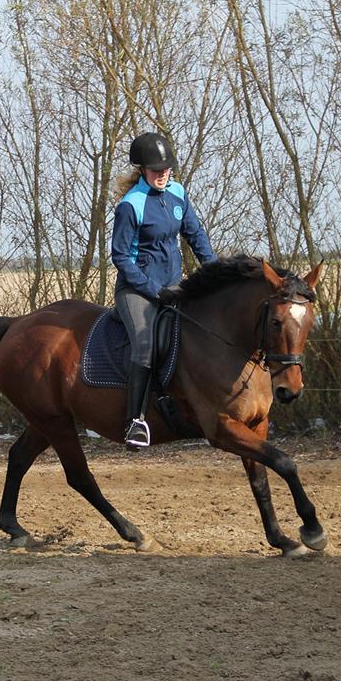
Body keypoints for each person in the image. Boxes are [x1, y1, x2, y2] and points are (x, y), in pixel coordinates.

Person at [110, 131, 216, 448]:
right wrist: (155, 290)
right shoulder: (131, 205)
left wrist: (214, 271)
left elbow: (195, 234)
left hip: (173, 285)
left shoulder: (177, 193)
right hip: (136, 289)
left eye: (167, 168)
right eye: (156, 170)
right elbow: (121, 257)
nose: (163, 174)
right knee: (145, 344)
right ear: (142, 169)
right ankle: (135, 422)